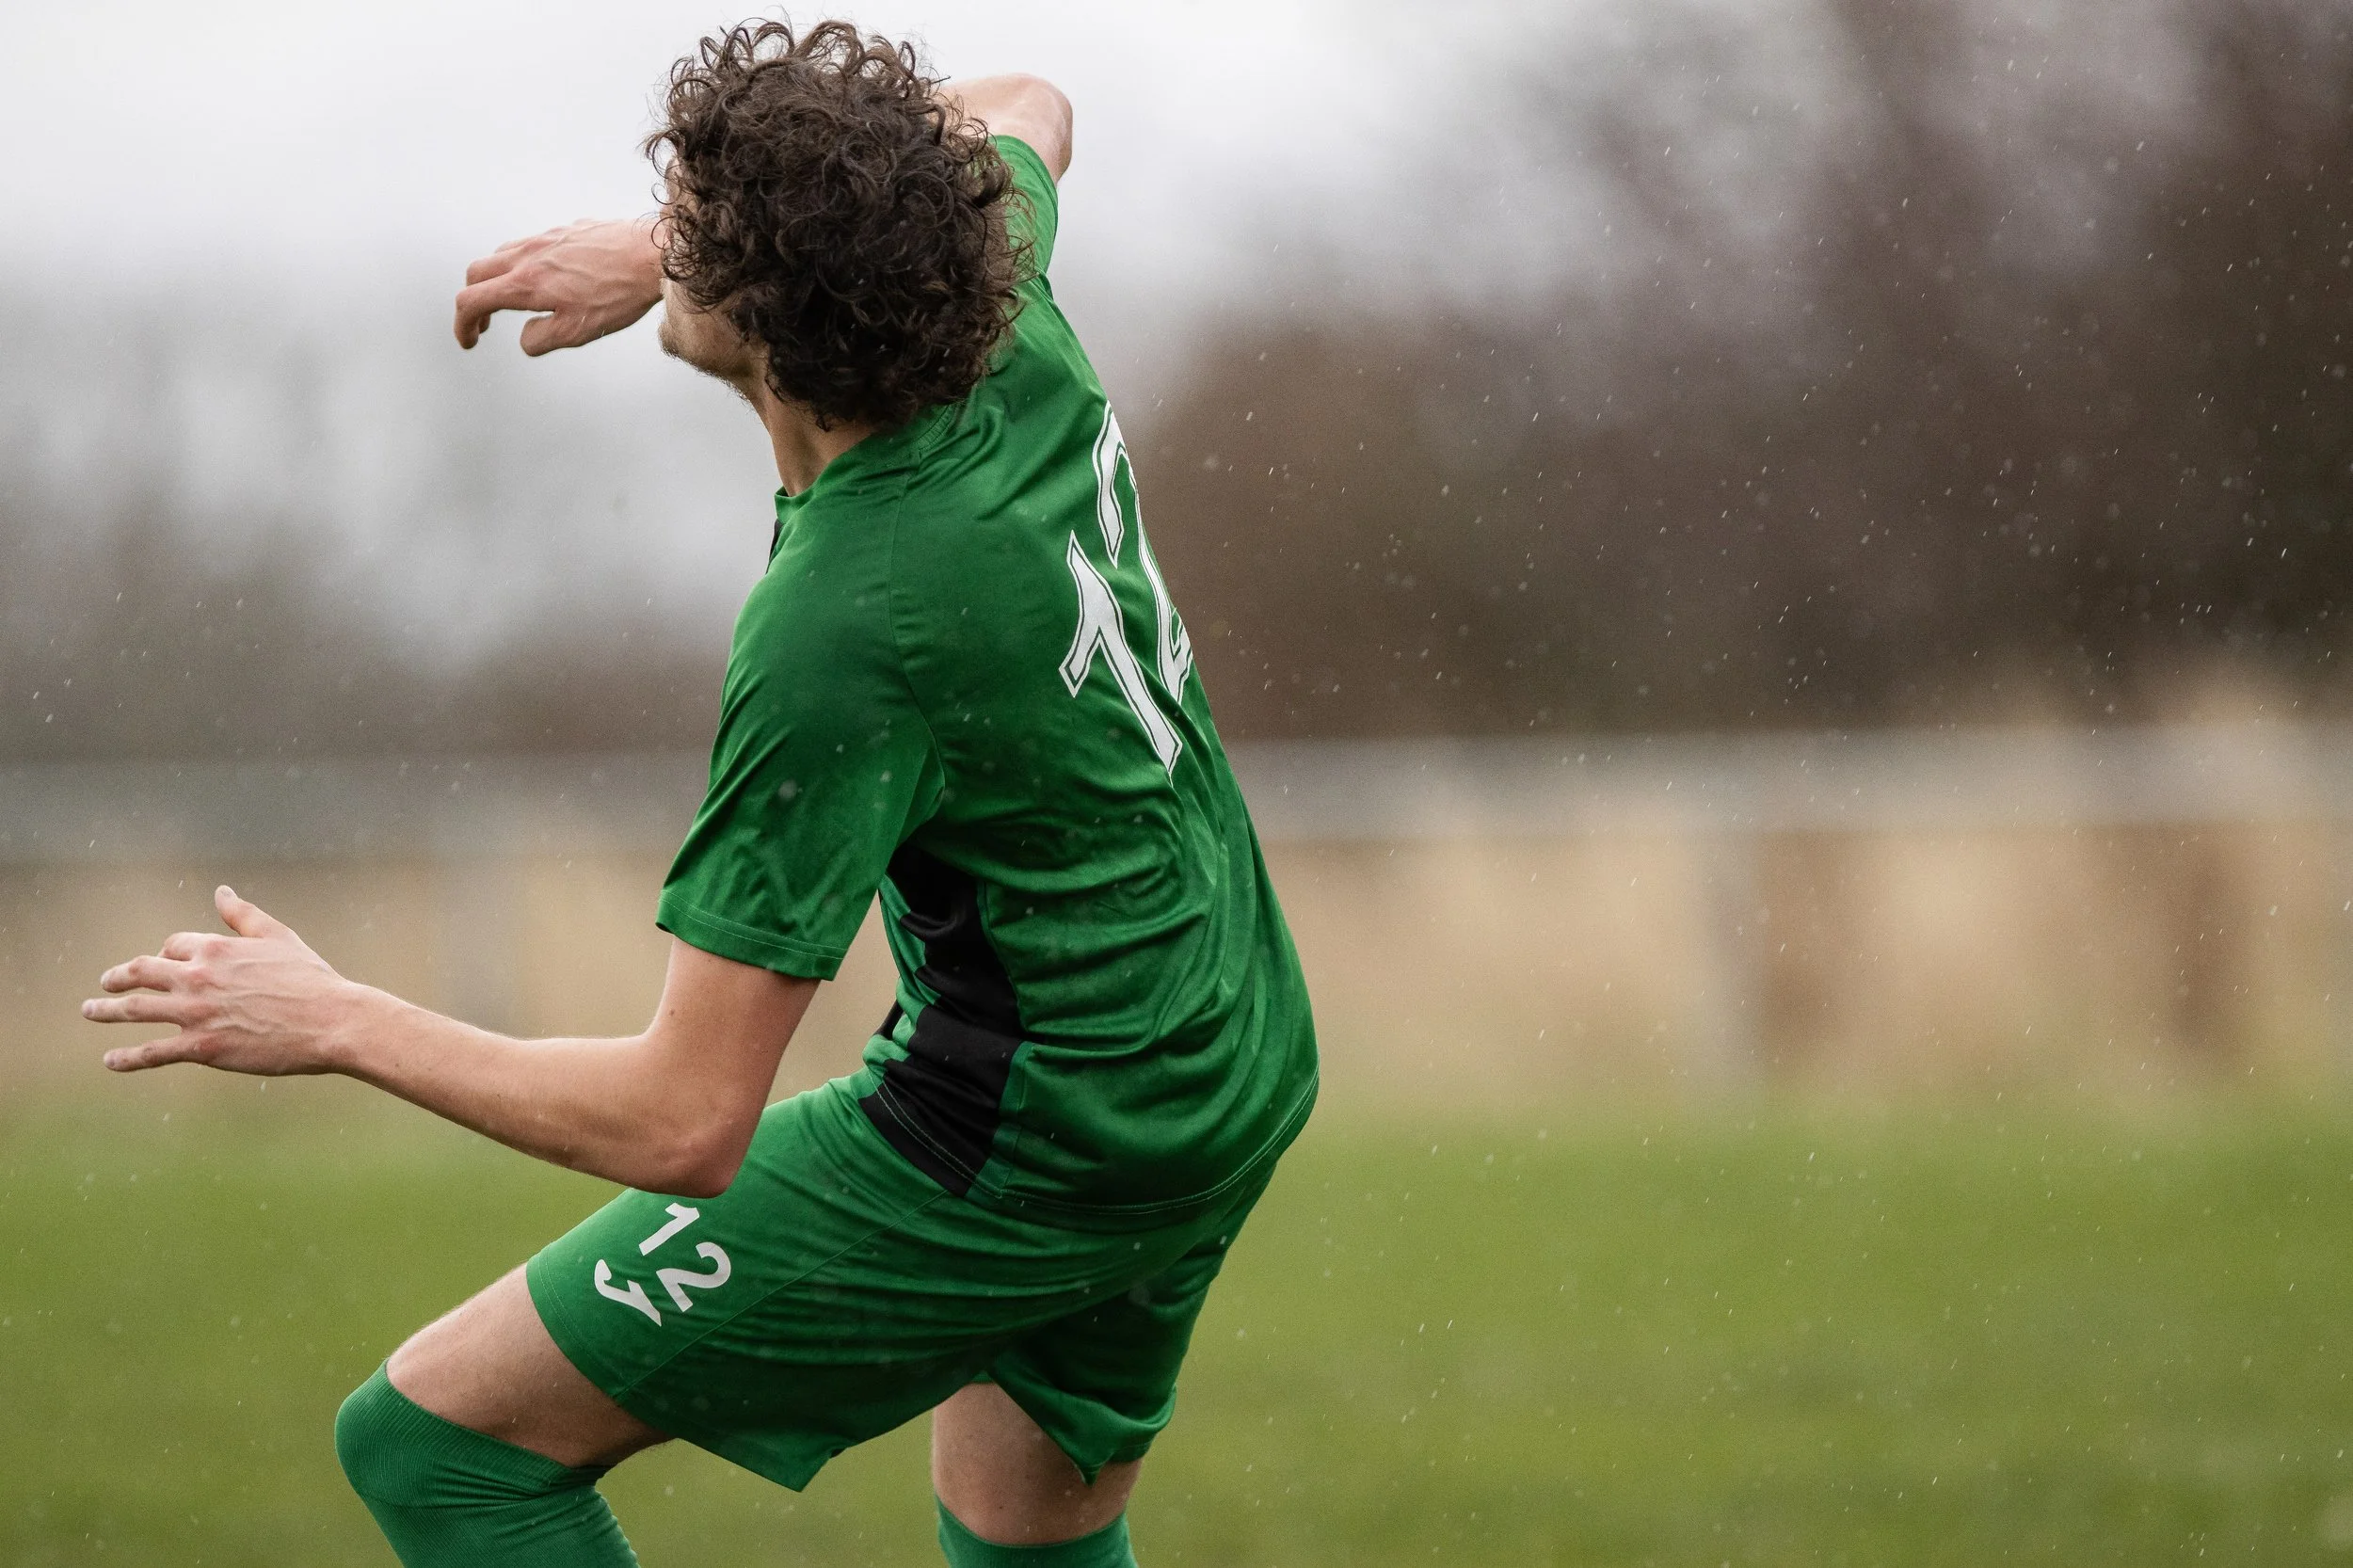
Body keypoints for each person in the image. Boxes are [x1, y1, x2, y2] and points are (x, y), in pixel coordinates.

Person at [79, 20, 1317, 1568]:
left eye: (705, 220)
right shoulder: (1002, 310)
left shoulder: (849, 624)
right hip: (1224, 1048)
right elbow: (1031, 102)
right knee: (1023, 1532)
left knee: (436, 1446)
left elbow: (682, 1121)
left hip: (1035, 1130)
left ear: (773, 312)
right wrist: (680, 248)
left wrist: (337, 1019)